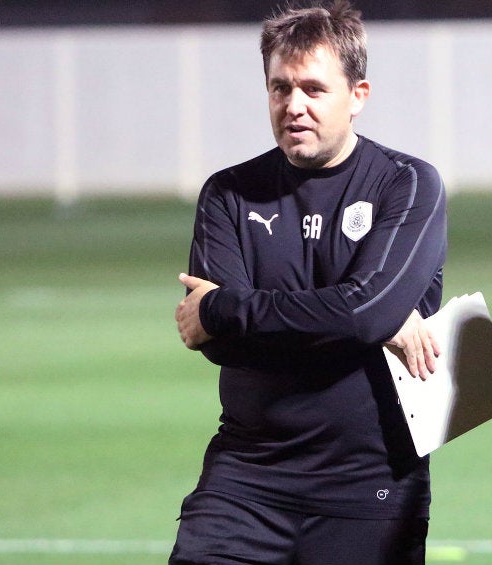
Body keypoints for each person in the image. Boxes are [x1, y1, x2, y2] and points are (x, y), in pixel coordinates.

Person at [169, 2, 447, 564]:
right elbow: (221, 346)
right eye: (280, 89)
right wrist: (363, 319)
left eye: (314, 90)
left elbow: (361, 315)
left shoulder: (408, 184)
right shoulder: (228, 193)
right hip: (246, 477)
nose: (294, 106)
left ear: (358, 95)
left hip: (370, 480)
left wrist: (226, 309)